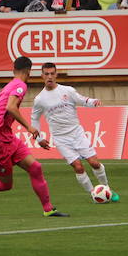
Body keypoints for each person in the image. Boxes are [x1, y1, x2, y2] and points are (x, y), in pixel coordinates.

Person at [0, 56, 68, 218]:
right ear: (29, 71)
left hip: (7, 138)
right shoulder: (20, 85)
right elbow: (10, 108)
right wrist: (29, 127)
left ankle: (48, 209)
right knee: (5, 184)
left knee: (36, 167)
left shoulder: (10, 85)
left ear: (14, 69)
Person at [32, 63, 119, 203]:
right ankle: (93, 193)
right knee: (78, 167)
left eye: (52, 73)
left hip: (77, 133)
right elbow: (34, 119)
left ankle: (106, 188)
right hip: (61, 139)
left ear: (56, 74)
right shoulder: (39, 99)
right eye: (46, 74)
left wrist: (93, 102)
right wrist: (39, 138)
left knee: (94, 163)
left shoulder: (67, 91)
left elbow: (82, 100)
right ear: (42, 76)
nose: (49, 76)